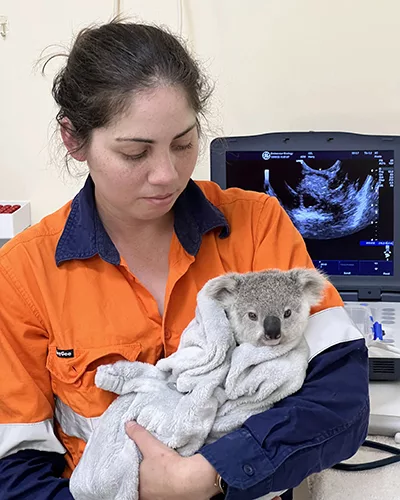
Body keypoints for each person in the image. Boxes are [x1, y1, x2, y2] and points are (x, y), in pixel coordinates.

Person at [0, 19, 369, 500]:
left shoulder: (257, 225)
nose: (166, 175)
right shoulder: (23, 274)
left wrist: (209, 474)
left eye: (183, 143)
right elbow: (16, 467)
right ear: (73, 139)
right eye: (136, 152)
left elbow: (341, 400)